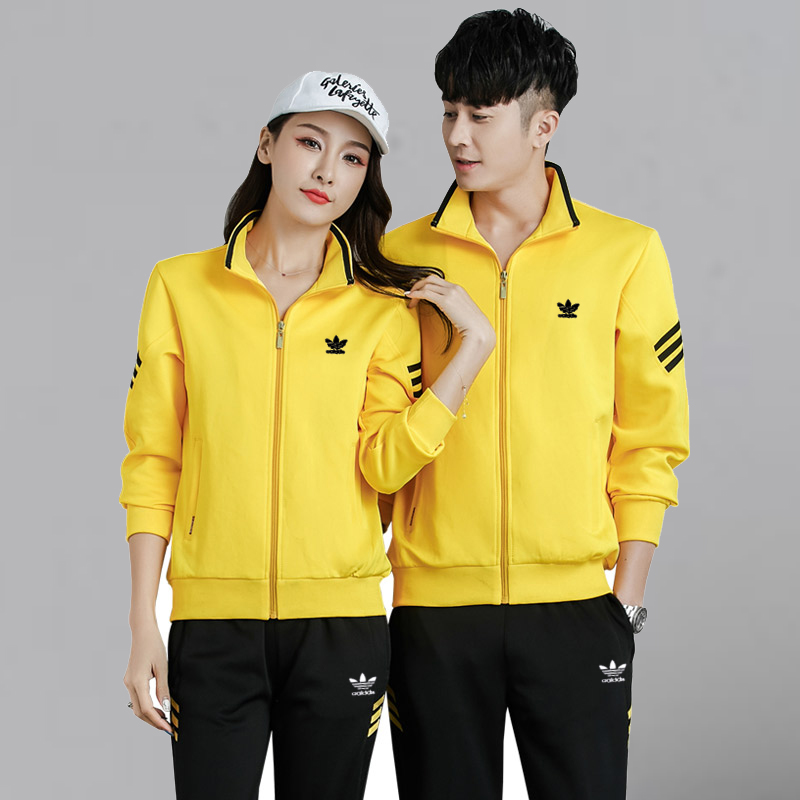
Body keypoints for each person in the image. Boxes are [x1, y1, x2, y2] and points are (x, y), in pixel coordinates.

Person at [119, 70, 495, 800]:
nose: (327, 171)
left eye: (353, 157)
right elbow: (154, 460)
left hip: (340, 627)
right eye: (310, 142)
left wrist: (469, 354)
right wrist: (143, 625)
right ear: (267, 145)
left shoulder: (382, 308)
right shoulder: (180, 287)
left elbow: (385, 466)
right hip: (212, 624)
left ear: (365, 178)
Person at [379, 10, 690, 800]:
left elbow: (651, 439)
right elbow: (374, 427)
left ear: (542, 126)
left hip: (578, 606)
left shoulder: (626, 254)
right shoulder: (397, 257)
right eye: (449, 111)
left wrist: (626, 600)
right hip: (435, 607)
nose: (457, 135)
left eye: (481, 116)